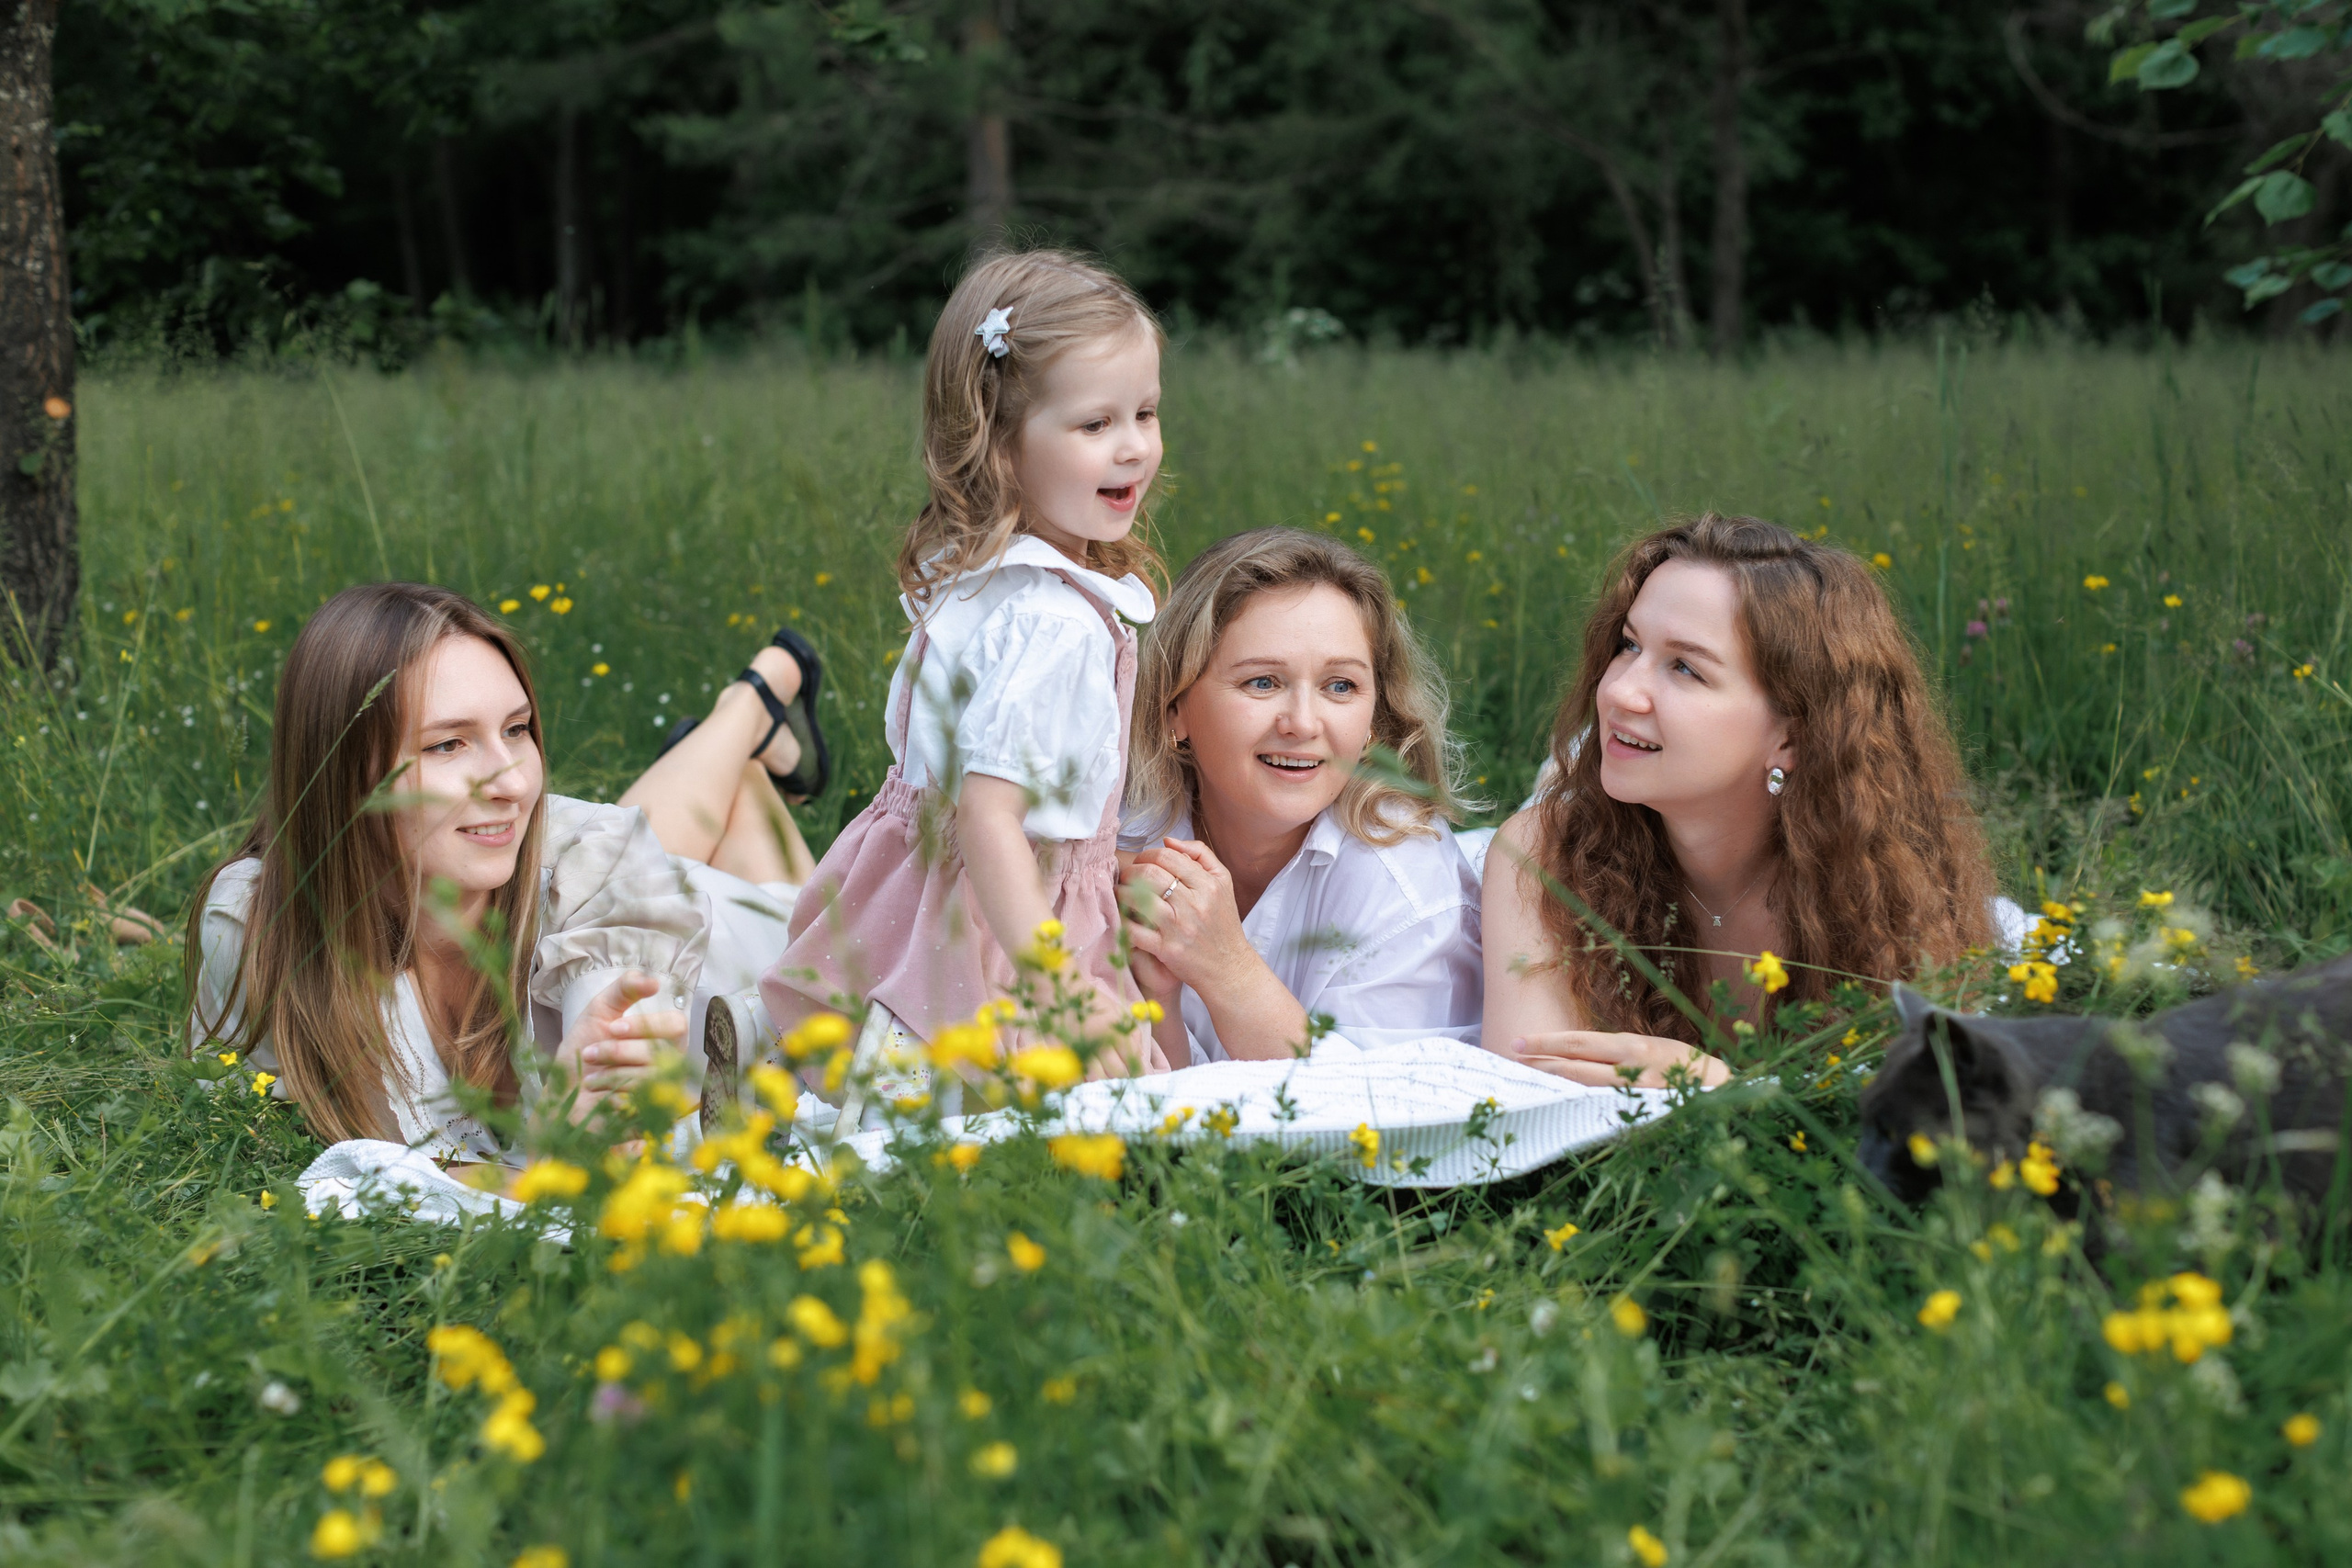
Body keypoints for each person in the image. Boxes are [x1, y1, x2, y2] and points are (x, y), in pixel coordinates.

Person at [187, 582, 819, 1161]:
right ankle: (748, 732)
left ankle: (757, 696)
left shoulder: (597, 871)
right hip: (594, 866)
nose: (515, 780)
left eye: (518, 729)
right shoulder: (258, 928)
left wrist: (587, 1118)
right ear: (341, 771)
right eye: (447, 743)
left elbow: (594, 1150)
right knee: (582, 835)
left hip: (772, 949)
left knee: (755, 894)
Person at [763, 249, 1170, 1080]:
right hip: (1007, 920)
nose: (1132, 448)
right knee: (1111, 1110)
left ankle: (833, 1065)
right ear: (1001, 446)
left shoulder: (981, 577)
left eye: (1146, 413)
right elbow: (989, 817)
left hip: (914, 906)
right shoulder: (1055, 623)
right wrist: (1055, 984)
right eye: (1096, 424)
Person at [1482, 513, 2000, 1089]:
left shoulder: (1884, 888)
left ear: (1793, 736)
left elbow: (1923, 1108)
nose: (1618, 690)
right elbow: (1524, 1095)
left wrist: (1721, 1090)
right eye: (1628, 645)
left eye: (1685, 667)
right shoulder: (1544, 853)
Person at [1118, 528, 1482, 1064]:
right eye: (1262, 682)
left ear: (1372, 724)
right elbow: (1144, 1113)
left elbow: (1382, 1119)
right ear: (1176, 707)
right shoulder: (1114, 837)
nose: (1303, 724)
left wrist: (1227, 969)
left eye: (1340, 686)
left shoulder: (1409, 890)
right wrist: (1157, 1002)